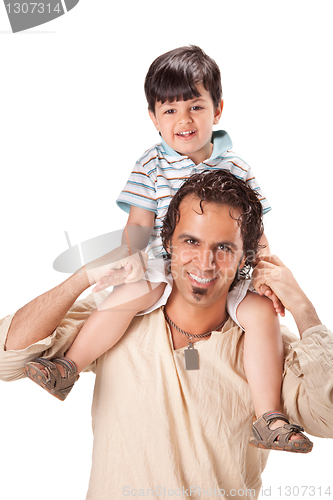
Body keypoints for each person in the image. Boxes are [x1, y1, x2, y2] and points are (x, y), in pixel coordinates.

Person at [1, 171, 332, 499]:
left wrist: (302, 307)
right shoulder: (119, 312)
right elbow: (7, 360)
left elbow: (327, 417)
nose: (205, 263)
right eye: (191, 241)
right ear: (168, 241)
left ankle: (267, 419)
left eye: (224, 248)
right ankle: (67, 369)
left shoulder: (265, 343)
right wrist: (84, 276)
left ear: (245, 257)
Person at [25, 46, 292, 442]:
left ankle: (270, 417)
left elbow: (256, 230)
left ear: (217, 110)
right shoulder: (151, 164)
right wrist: (131, 255)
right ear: (154, 118)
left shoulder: (236, 166)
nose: (183, 120)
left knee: (263, 317)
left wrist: (264, 274)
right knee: (127, 294)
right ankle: (69, 367)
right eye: (170, 111)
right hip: (164, 265)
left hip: (224, 271)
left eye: (195, 107)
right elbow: (138, 223)